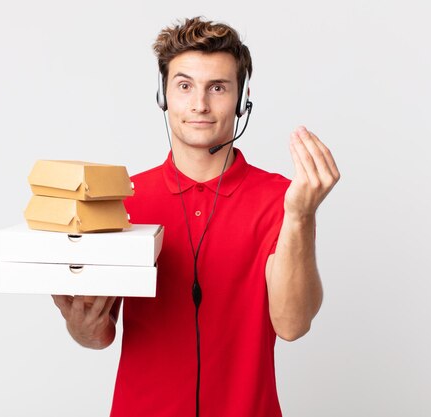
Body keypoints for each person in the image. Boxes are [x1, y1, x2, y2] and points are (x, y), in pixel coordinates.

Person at [52, 16, 340, 417]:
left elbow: (292, 324)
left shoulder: (282, 200)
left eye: (217, 88)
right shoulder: (123, 199)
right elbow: (100, 335)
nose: (199, 104)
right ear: (163, 95)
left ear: (242, 99)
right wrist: (80, 326)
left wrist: (301, 217)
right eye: (184, 86)